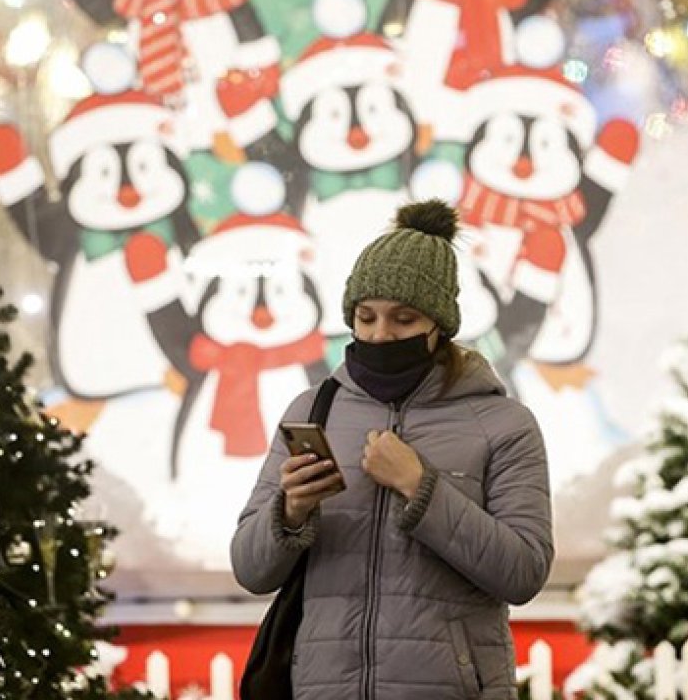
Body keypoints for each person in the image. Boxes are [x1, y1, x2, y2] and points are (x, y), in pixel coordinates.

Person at [231, 199, 554, 699]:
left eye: (403, 320)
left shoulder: (503, 423)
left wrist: (420, 487)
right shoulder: (312, 409)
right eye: (366, 317)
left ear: (438, 325)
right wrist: (289, 511)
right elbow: (251, 570)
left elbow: (524, 573)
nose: (381, 334)